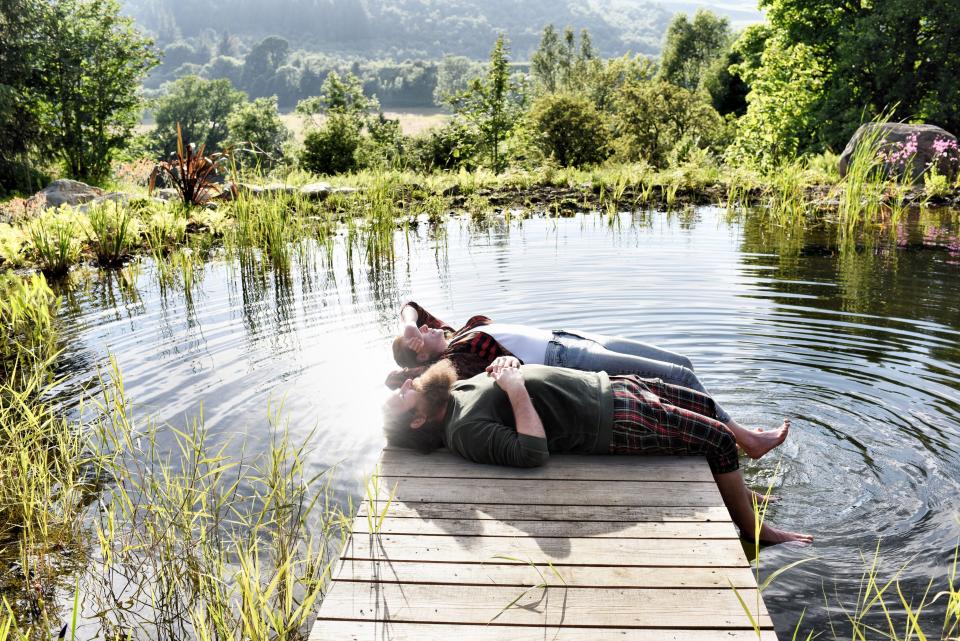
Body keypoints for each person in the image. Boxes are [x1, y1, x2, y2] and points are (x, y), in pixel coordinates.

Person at [382, 358, 813, 545]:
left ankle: (747, 466)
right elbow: (532, 450)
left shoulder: (453, 395)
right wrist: (514, 387)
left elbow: (517, 387)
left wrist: (509, 366)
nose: (405, 384)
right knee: (717, 440)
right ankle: (756, 531)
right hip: (610, 419)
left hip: (608, 388)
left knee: (700, 404)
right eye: (403, 397)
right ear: (418, 421)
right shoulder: (464, 431)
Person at [387, 301, 788, 460]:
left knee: (681, 362)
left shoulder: (453, 334)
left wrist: (411, 329)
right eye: (422, 333)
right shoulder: (456, 358)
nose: (427, 325)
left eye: (425, 327)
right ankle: (742, 439)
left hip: (571, 338)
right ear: (422, 354)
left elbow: (411, 306)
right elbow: (412, 382)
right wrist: (412, 355)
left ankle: (721, 432)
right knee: (679, 375)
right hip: (565, 359)